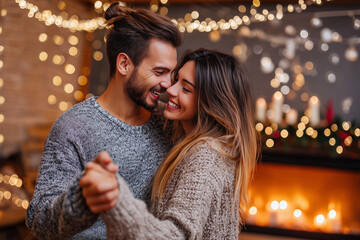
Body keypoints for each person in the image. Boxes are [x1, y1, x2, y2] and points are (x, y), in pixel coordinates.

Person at [26, 3, 181, 239]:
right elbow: (38, 220)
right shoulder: (73, 126)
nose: (168, 84)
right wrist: (81, 200)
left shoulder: (171, 124)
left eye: (171, 73)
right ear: (124, 64)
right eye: (159, 72)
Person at [81, 49, 259, 239]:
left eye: (186, 89)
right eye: (176, 80)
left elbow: (175, 236)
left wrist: (118, 198)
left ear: (211, 102)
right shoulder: (190, 136)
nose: (170, 90)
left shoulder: (206, 157)